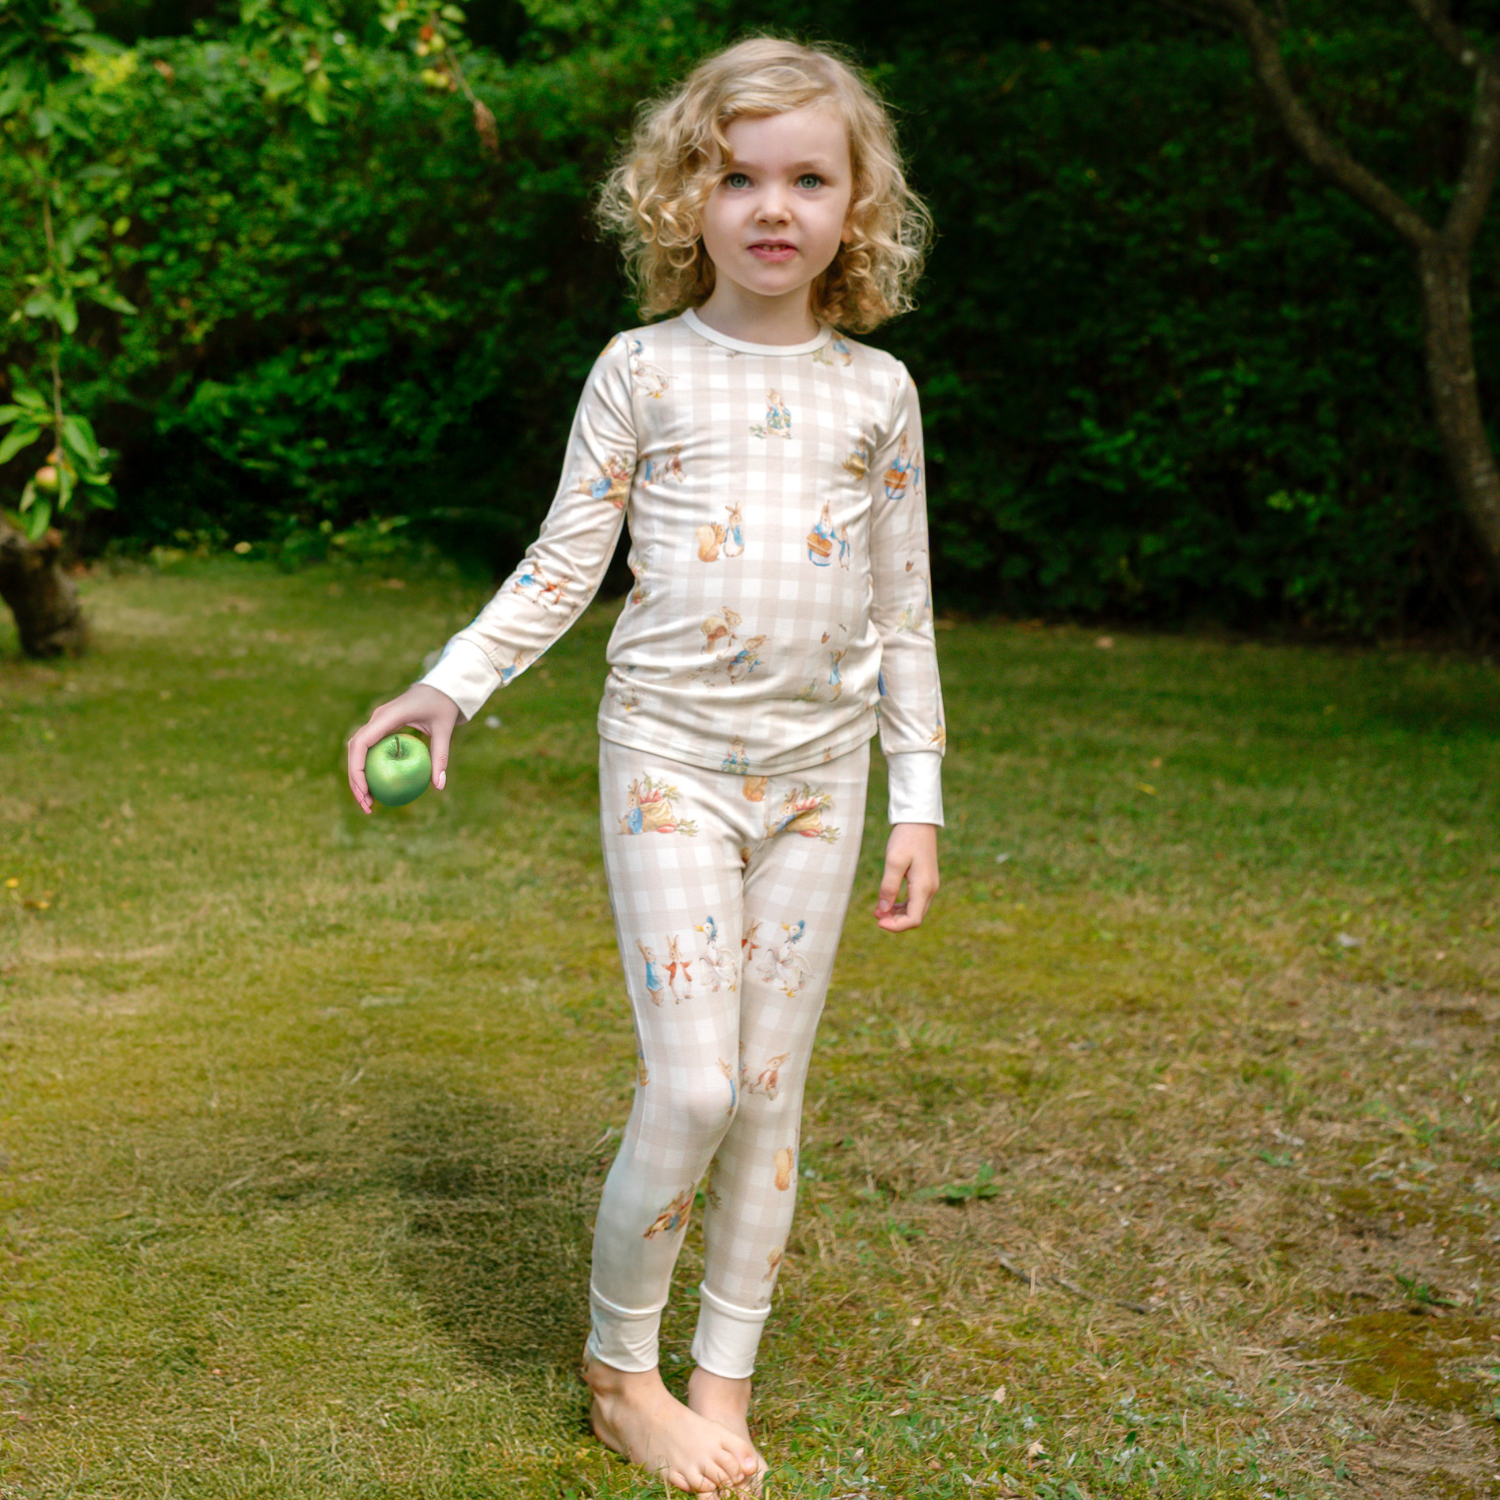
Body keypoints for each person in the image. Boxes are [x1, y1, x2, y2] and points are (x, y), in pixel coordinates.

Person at [346, 34, 945, 1496]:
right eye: (737, 177)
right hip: (669, 761)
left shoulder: (880, 392)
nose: (772, 207)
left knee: (768, 1091)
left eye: (808, 179)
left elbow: (904, 610)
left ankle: (719, 1378)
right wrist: (448, 685)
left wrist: (918, 796)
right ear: (684, 198)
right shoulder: (642, 370)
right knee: (692, 1089)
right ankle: (622, 1376)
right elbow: (565, 563)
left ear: (858, 206)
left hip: (820, 783)